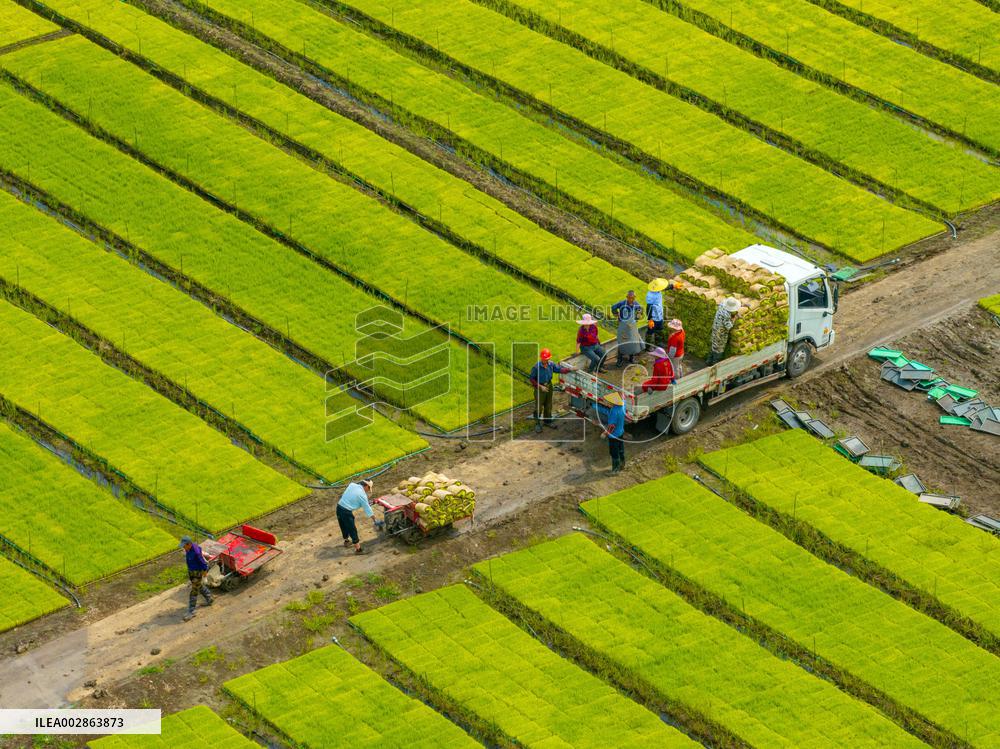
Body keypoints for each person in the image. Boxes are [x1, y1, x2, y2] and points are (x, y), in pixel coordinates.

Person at [529, 348, 574, 432]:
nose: (546, 360)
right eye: (544, 359)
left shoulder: (551, 364)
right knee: (539, 406)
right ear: (541, 358)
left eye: (547, 358)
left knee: (548, 405)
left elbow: (559, 369)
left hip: (549, 386)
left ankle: (547, 421)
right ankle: (537, 423)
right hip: (540, 388)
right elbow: (531, 379)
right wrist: (540, 386)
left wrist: (570, 369)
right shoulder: (536, 367)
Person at [337, 479, 382, 554]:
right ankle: (358, 550)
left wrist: (364, 502)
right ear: (367, 486)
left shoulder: (352, 485)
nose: (368, 491)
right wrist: (375, 520)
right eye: (369, 488)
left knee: (343, 525)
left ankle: (346, 541)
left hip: (339, 507)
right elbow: (367, 509)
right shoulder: (362, 495)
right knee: (352, 529)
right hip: (346, 512)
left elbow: (352, 497)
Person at [181, 536, 213, 622]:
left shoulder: (196, 552)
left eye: (184, 546)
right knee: (199, 586)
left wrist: (205, 576)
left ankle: (192, 611)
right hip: (192, 572)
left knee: (194, 591)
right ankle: (210, 599)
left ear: (189, 544)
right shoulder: (189, 549)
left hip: (197, 573)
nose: (183, 548)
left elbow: (204, 565)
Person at [611, 291, 643, 367]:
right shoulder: (622, 303)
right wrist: (617, 315)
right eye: (630, 298)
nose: (631, 300)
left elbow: (640, 311)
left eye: (633, 298)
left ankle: (631, 358)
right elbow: (613, 307)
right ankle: (619, 360)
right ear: (627, 297)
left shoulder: (636, 304)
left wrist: (637, 317)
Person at [598, 391, 627, 474]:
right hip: (620, 432)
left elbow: (612, 426)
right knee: (621, 449)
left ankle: (615, 470)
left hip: (613, 436)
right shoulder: (623, 405)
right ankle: (622, 465)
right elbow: (624, 397)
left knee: (614, 452)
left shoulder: (614, 411)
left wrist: (605, 433)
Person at [708, 297, 741, 364]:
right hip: (720, 333)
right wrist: (735, 318)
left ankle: (709, 361)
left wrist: (743, 306)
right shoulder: (726, 315)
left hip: (715, 328)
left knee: (714, 346)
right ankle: (715, 363)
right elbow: (729, 326)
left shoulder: (722, 304)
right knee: (719, 349)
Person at [645, 278, 668, 347]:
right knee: (650, 331)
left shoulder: (657, 291)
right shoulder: (651, 296)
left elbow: (664, 288)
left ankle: (658, 343)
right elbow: (648, 307)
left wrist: (673, 286)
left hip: (659, 315)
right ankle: (647, 346)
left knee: (659, 329)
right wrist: (650, 319)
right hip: (653, 317)